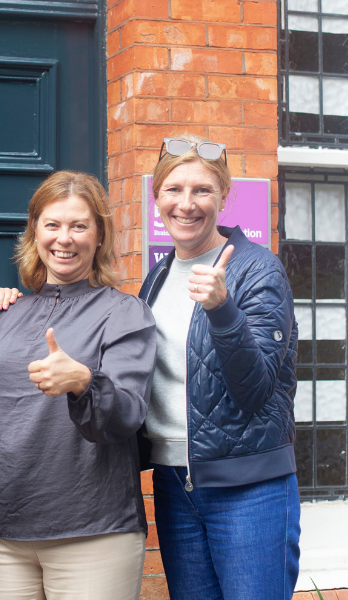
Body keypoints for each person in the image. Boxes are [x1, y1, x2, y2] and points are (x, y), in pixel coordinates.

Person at [0, 171, 157, 600]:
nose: (64, 238)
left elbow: (127, 414)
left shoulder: (125, 313)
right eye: (52, 224)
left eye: (79, 226)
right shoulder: (6, 314)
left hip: (93, 533)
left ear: (99, 235)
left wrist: (84, 381)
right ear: (35, 232)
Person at [138, 134, 300, 599]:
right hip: (175, 484)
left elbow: (255, 389)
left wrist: (222, 308)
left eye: (202, 190)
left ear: (224, 197)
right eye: (174, 189)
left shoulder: (257, 270)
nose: (186, 204)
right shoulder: (158, 277)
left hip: (250, 486)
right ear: (157, 197)